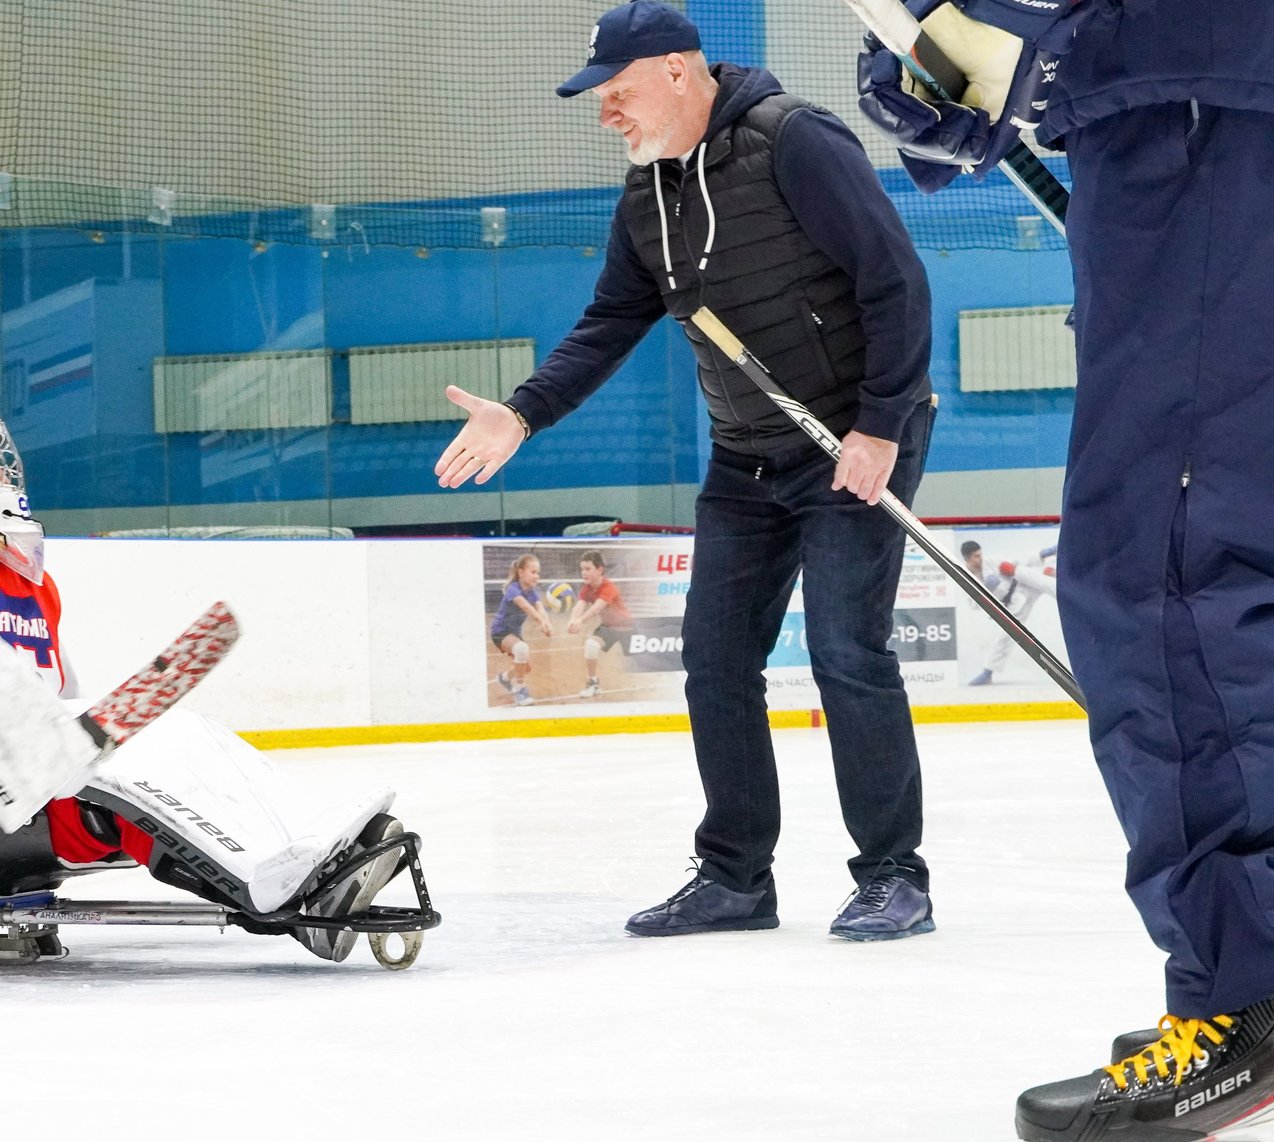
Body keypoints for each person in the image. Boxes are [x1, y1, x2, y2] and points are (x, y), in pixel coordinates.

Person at [434, 0, 939, 942]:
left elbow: (893, 279)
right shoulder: (647, 196)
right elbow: (610, 322)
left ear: (676, 70)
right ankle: (737, 878)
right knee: (714, 662)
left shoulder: (795, 140)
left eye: (615, 92)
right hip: (748, 457)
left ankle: (893, 875)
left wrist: (878, 427)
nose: (604, 114)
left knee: (846, 653)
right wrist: (525, 411)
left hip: (852, 445)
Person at [857, 1, 1274, 1135]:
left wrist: (1068, 28)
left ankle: (1247, 990)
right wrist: (944, 70)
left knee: (1164, 567)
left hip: (1203, 119)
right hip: (1177, 114)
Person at [0, 393, 409, 963]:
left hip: (16, 799)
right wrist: (11, 745)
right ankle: (277, 892)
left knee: (173, 733)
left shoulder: (27, 580)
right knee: (117, 773)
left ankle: (316, 856)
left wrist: (60, 738)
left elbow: (55, 695)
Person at [958, 539, 1057, 686]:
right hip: (1013, 605)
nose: (980, 558)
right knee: (1006, 636)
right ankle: (987, 673)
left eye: (980, 554)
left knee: (1030, 575)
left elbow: (1019, 561)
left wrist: (1040, 555)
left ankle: (1053, 567)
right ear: (968, 558)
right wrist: (987, 588)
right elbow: (973, 605)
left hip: (1022, 583)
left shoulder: (991, 561)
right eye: (976, 556)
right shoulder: (965, 576)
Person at [568, 549, 636, 698]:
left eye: (587, 569)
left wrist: (580, 620)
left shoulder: (608, 588)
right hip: (608, 628)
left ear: (599, 570)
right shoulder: (588, 588)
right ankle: (593, 683)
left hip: (627, 628)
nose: (583, 573)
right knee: (591, 646)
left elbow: (596, 607)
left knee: (643, 660)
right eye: (582, 569)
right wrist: (573, 620)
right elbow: (580, 604)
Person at [489, 552, 554, 706]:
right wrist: (540, 622)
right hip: (500, 632)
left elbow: (540, 609)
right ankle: (520, 691)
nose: (537, 576)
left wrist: (547, 623)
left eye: (538, 572)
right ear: (521, 572)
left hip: (514, 633)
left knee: (525, 667)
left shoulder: (533, 591)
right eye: (533, 572)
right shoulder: (513, 588)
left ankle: (504, 678)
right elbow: (526, 607)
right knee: (522, 649)